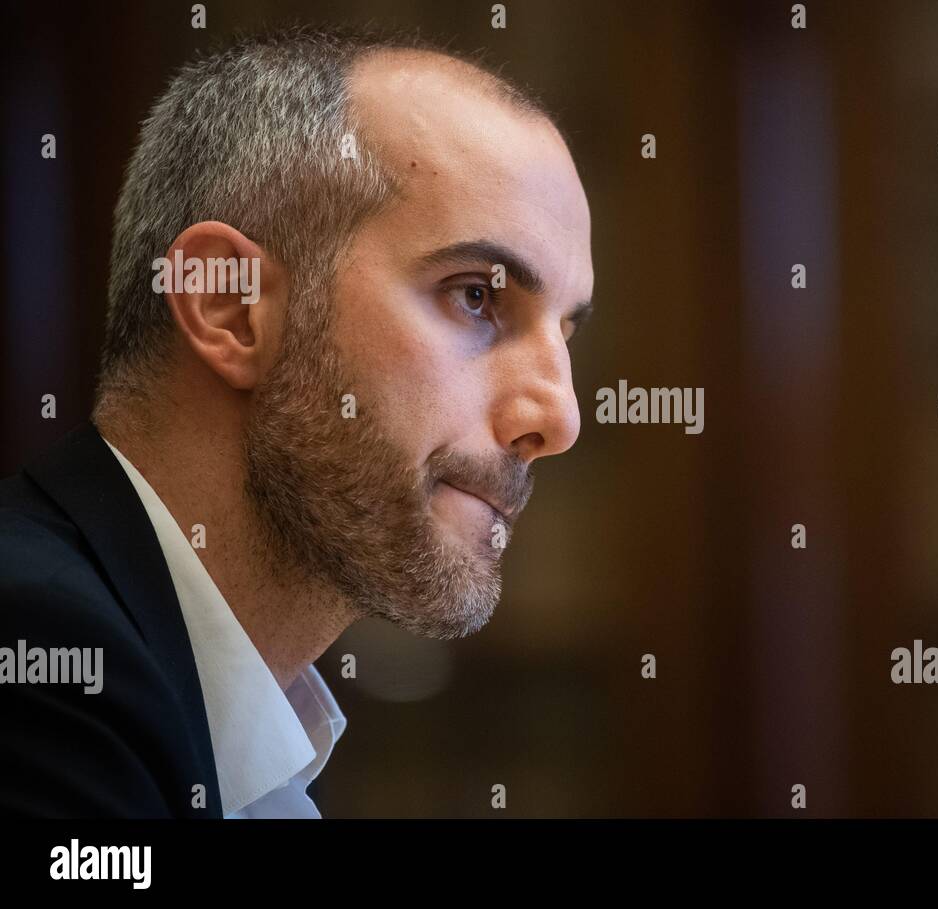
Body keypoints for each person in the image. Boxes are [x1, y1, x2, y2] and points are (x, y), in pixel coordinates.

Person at [0, 26, 594, 818]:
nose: (559, 417)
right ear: (230, 306)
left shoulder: (239, 736)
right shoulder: (45, 667)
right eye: (476, 297)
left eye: (566, 332)